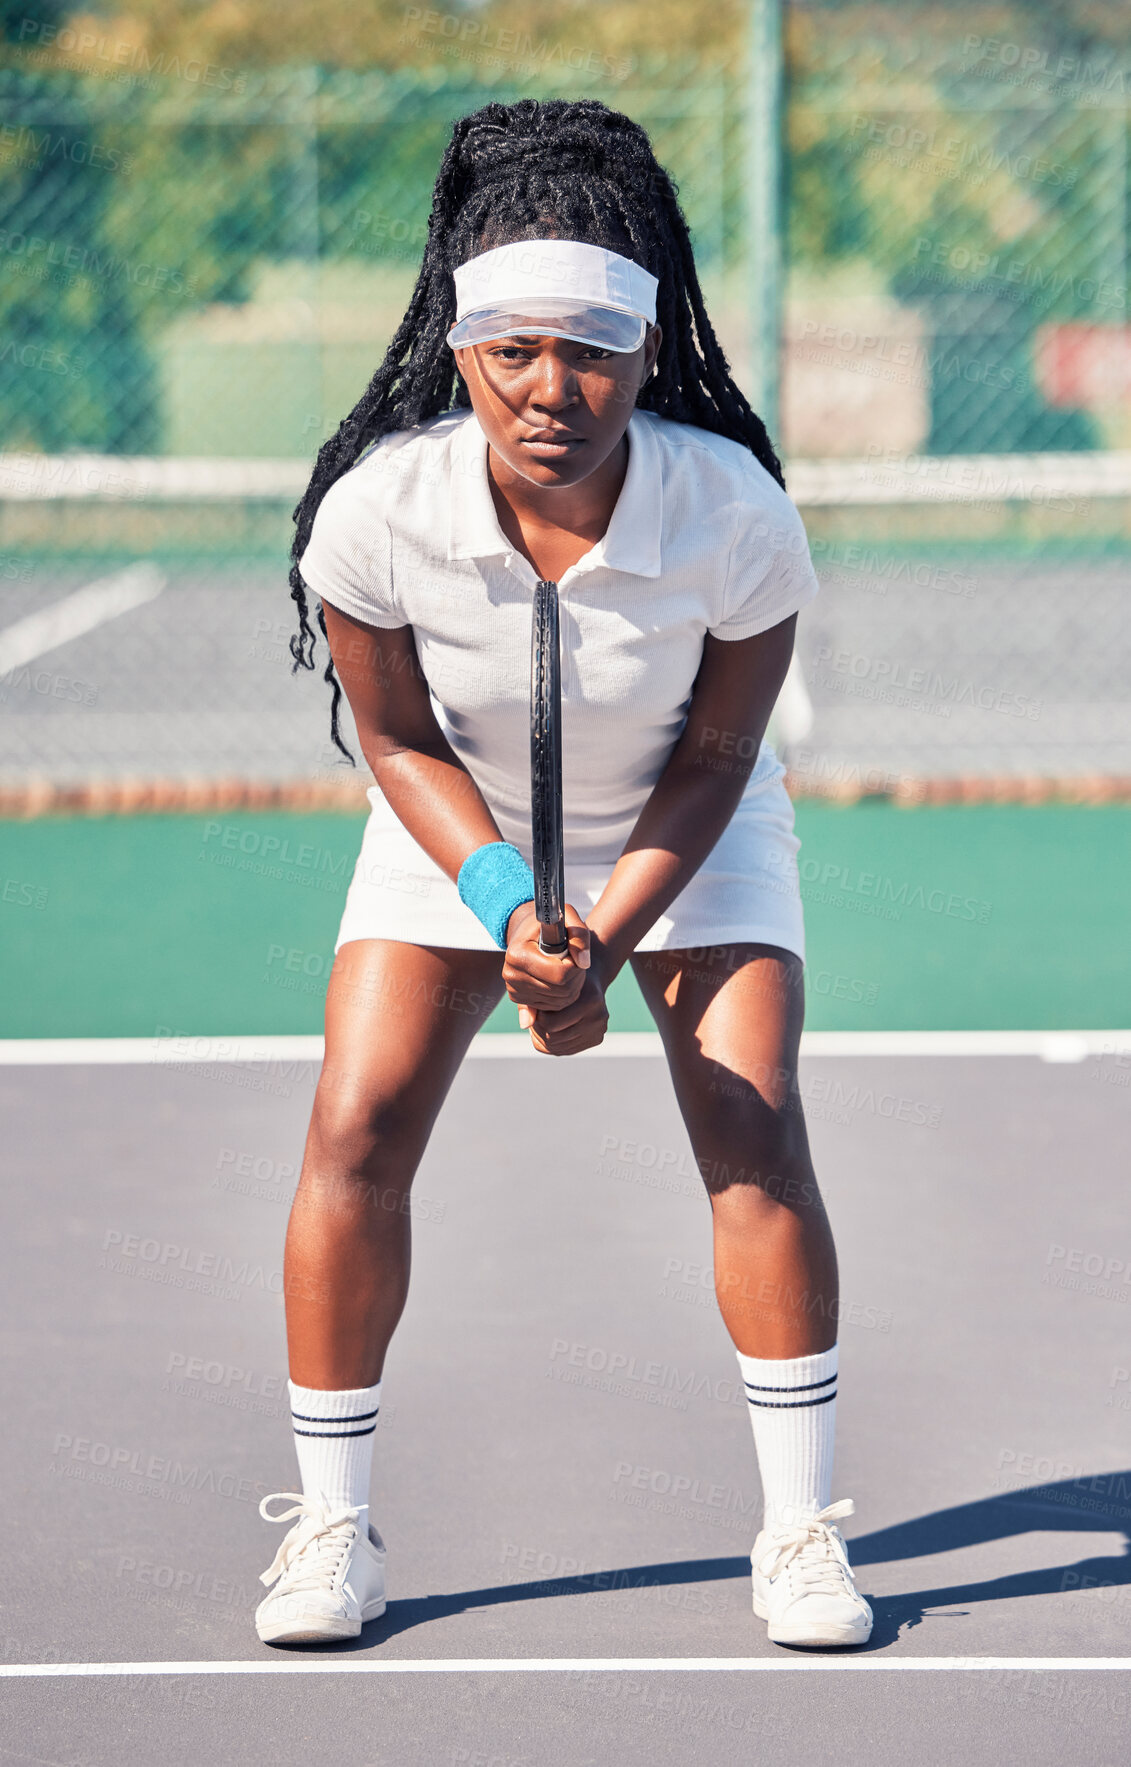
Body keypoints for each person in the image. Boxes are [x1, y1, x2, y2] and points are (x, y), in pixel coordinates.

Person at [253, 96, 872, 1652]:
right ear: (462, 356)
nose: (552, 389)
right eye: (514, 352)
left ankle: (799, 1533)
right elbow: (395, 743)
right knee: (356, 1125)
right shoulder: (376, 512)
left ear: (645, 357)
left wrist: (600, 929)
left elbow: (724, 758)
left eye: (590, 353)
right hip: (455, 838)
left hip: (688, 836)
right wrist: (510, 910)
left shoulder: (732, 510)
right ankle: (333, 1530)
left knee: (752, 1126)